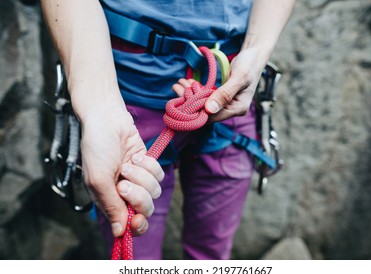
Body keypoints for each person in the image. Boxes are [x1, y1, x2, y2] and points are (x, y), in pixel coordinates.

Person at [40, 0, 295, 259]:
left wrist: (257, 51)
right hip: (126, 100)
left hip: (231, 87)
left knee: (214, 255)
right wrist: (100, 109)